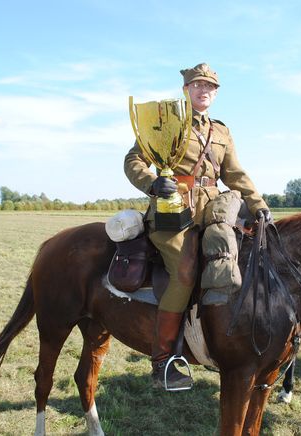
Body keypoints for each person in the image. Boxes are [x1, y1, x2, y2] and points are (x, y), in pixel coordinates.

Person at [124, 63, 270, 390]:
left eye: (210, 87)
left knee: (239, 264)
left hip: (215, 211)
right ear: (186, 89)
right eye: (197, 85)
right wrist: (152, 182)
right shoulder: (166, 120)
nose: (204, 90)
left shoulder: (221, 131)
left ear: (215, 93)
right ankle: (163, 360)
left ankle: (224, 345)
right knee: (185, 272)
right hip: (171, 210)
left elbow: (235, 175)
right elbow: (133, 160)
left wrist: (259, 206)